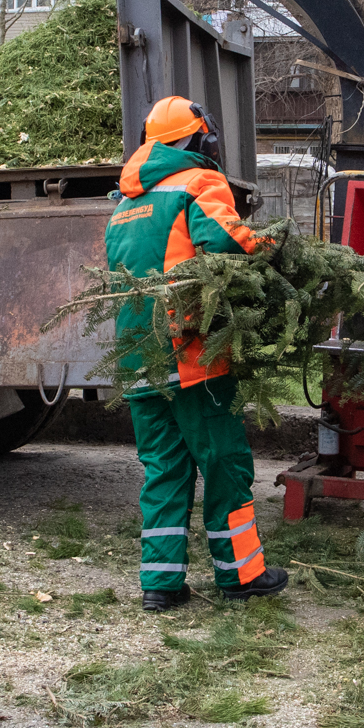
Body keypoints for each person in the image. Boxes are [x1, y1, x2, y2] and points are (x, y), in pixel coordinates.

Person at [107, 95, 289, 613]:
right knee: (224, 462)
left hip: (137, 357)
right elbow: (227, 242)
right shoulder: (198, 183)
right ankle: (240, 576)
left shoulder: (124, 204)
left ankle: (160, 585)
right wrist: (273, 246)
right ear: (201, 139)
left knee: (163, 468)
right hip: (189, 352)